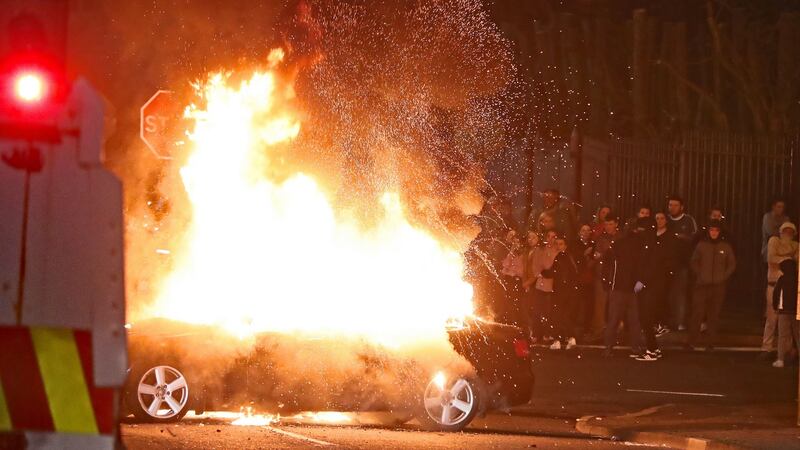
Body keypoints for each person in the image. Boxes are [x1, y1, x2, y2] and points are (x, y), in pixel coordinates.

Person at [601, 218, 649, 358]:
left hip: (617, 287)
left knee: (613, 319)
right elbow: (642, 266)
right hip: (633, 288)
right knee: (634, 320)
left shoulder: (617, 244)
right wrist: (640, 281)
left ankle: (608, 347)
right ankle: (636, 347)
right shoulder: (640, 245)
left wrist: (606, 282)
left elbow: (607, 263)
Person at [687, 220, 736, 351]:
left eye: (716, 230)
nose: (714, 233)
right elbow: (694, 261)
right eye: (712, 230)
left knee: (713, 315)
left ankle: (710, 342)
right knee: (697, 313)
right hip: (702, 285)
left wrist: (723, 277)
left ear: (720, 232)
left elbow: (731, 264)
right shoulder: (701, 245)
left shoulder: (725, 247)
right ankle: (692, 341)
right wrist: (700, 275)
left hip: (718, 286)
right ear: (708, 231)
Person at [761, 222, 799, 358]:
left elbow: (796, 263)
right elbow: (771, 258)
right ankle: (766, 348)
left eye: (790, 232)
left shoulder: (796, 246)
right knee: (771, 319)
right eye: (785, 231)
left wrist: (783, 259)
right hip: (773, 284)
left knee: (787, 323)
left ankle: (786, 350)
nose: (787, 234)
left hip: (788, 289)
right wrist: (788, 258)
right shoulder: (774, 241)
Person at [665, 195, 698, 331]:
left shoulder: (688, 220)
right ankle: (668, 321)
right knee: (666, 293)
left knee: (681, 294)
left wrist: (683, 238)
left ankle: (680, 321)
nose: (672, 208)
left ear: (681, 207)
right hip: (666, 263)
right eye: (670, 205)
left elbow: (695, 238)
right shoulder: (665, 220)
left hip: (682, 263)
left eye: (675, 205)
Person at [587, 215, 620, 341]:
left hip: (615, 275)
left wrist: (603, 254)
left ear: (616, 224)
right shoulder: (601, 238)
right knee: (600, 305)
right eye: (606, 224)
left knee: (614, 305)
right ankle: (598, 331)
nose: (608, 227)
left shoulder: (621, 238)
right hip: (601, 275)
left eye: (611, 224)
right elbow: (596, 255)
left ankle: (613, 332)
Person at [524, 230, 559, 344]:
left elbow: (552, 267)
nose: (550, 239)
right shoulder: (540, 250)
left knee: (549, 311)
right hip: (541, 283)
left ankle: (547, 333)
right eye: (548, 236)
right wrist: (540, 273)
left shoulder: (557, 250)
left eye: (553, 237)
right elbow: (537, 267)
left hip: (553, 284)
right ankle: (536, 333)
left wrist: (545, 271)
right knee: (538, 310)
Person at [550, 236, 579, 350]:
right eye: (557, 244)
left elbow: (555, 272)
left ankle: (559, 339)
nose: (558, 246)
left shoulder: (562, 257)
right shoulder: (569, 257)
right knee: (566, 315)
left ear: (565, 245)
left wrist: (542, 272)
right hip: (568, 291)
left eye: (561, 244)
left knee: (559, 315)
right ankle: (570, 338)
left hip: (562, 291)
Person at [652, 212, 677, 336]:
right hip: (652, 272)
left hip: (664, 272)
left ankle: (663, 323)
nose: (659, 221)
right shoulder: (651, 235)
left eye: (662, 218)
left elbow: (672, 255)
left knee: (662, 298)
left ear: (666, 220)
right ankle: (655, 323)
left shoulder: (670, 236)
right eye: (657, 218)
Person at [772, 258, 799, 368]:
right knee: (798, 335)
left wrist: (775, 307)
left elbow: (776, 294)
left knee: (782, 335)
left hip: (783, 310)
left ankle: (780, 359)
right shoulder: (797, 279)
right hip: (796, 311)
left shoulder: (782, 279)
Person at [572, 224, 596, 336]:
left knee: (589, 304)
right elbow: (574, 260)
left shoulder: (593, 244)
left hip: (590, 279)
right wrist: (584, 255)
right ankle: (574, 327)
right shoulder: (575, 244)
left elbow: (595, 260)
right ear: (579, 232)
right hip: (578, 278)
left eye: (588, 230)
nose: (585, 233)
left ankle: (587, 327)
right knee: (576, 303)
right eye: (583, 230)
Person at [500, 230, 525, 326]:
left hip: (518, 280)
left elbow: (522, 269)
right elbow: (505, 264)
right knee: (508, 300)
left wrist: (514, 273)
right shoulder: (510, 252)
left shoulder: (524, 254)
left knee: (517, 302)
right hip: (509, 279)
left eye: (518, 242)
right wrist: (512, 251)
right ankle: (509, 320)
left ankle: (518, 323)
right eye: (514, 242)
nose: (516, 244)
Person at [761, 198, 789, 262]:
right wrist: (782, 232)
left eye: (782, 207)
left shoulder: (785, 218)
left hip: (783, 247)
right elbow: (771, 232)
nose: (781, 209)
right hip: (769, 248)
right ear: (773, 207)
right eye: (779, 207)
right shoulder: (767, 217)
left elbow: (788, 233)